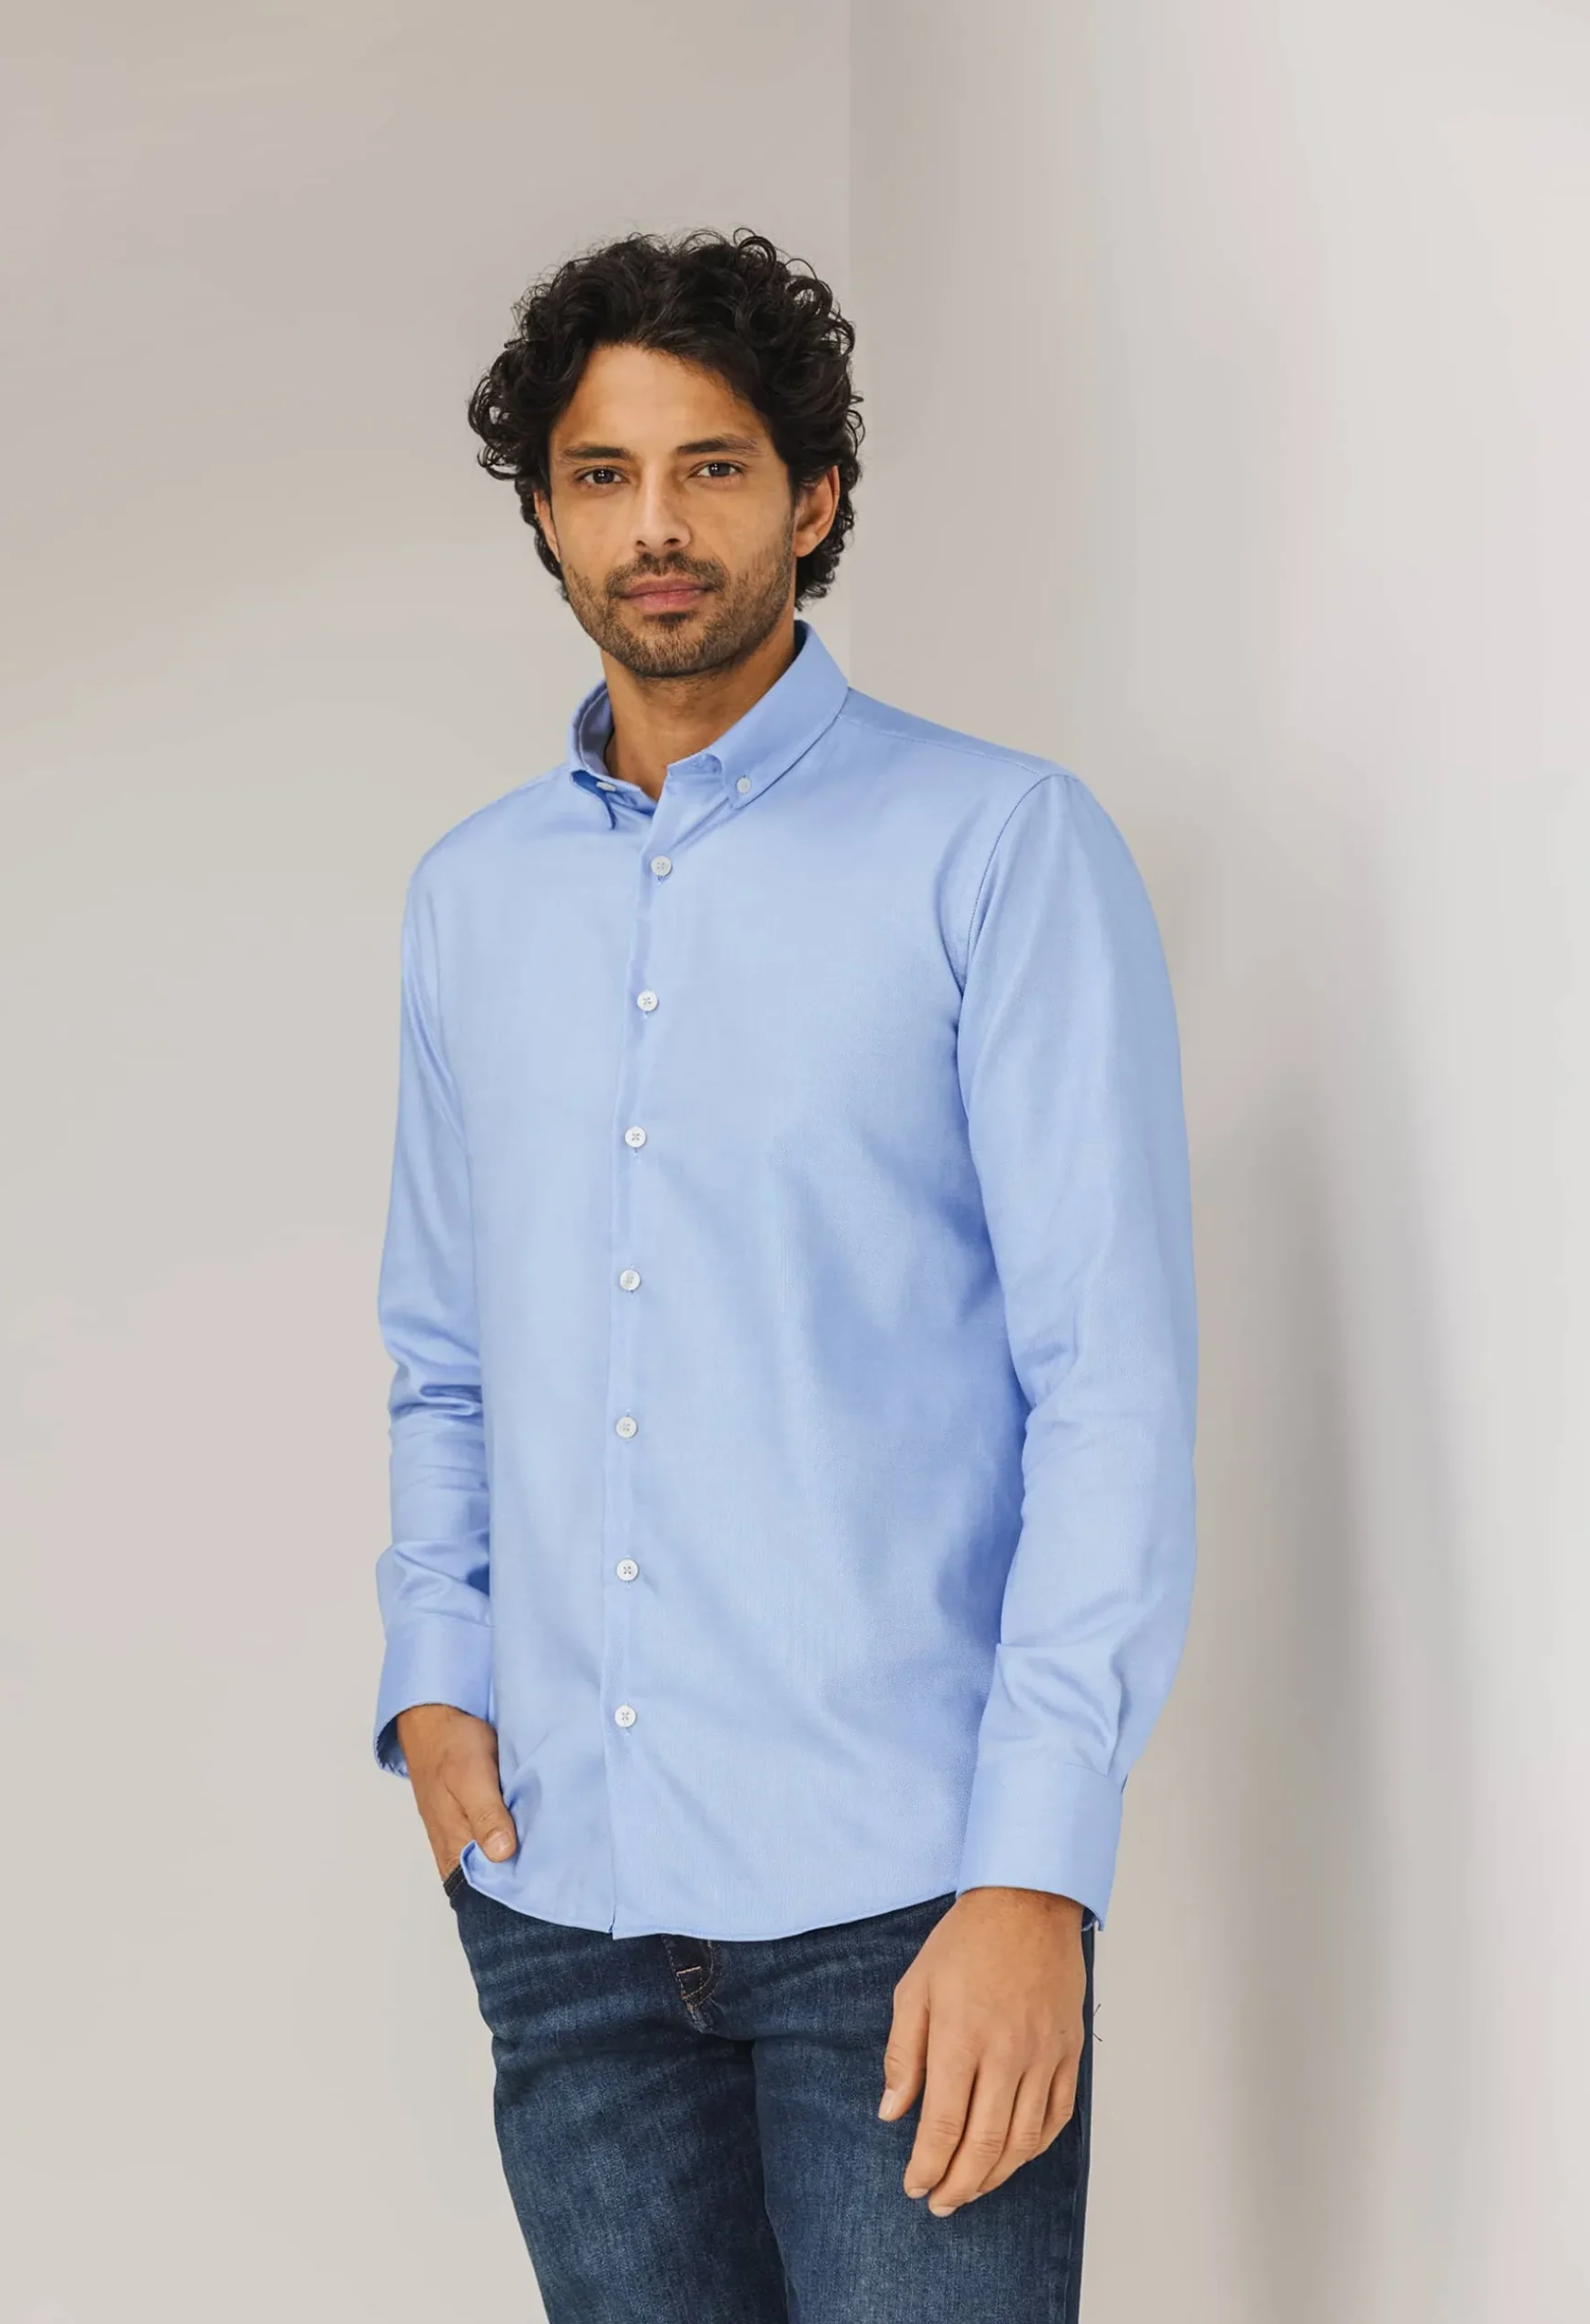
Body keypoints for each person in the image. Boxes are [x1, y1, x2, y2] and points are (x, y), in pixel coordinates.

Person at [371, 225, 1198, 2323]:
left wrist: (1033, 1872)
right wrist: (435, 1674)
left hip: (907, 1915)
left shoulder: (997, 849)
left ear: (812, 498)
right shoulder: (472, 901)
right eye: (601, 473)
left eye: (713, 467)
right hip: (566, 1912)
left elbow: (1105, 1382)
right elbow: (446, 1349)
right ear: (546, 511)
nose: (654, 525)